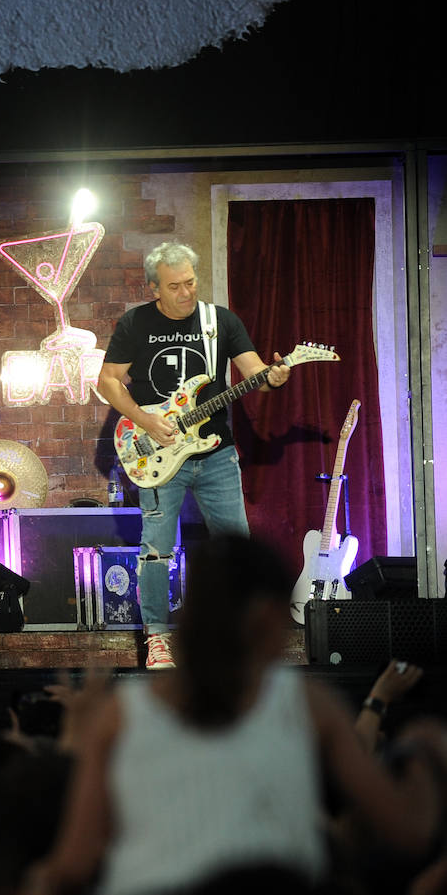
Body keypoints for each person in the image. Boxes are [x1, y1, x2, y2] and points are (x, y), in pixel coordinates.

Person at [26, 535, 442, 895]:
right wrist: (422, 748)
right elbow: (407, 832)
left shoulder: (120, 716)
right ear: (266, 617)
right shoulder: (305, 702)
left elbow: (73, 867)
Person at [96, 241, 290, 669]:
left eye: (190, 282)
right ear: (154, 289)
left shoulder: (219, 322)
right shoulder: (135, 324)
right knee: (155, 550)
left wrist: (273, 377)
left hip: (215, 451)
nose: (186, 292)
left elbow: (253, 372)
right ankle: (158, 638)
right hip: (157, 450)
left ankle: (239, 635)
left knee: (236, 547)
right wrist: (144, 421)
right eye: (174, 286)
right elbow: (107, 381)